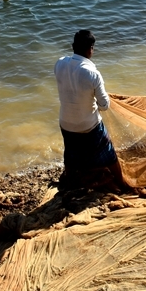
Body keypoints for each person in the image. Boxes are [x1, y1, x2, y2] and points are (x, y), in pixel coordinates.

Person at [54, 30, 122, 191]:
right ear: (91, 49)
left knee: (71, 154)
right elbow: (104, 105)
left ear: (72, 46)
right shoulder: (93, 74)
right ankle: (122, 183)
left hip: (66, 123)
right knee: (109, 152)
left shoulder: (59, 63)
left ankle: (70, 183)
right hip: (88, 126)